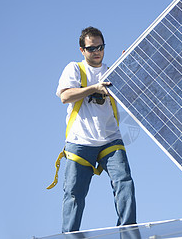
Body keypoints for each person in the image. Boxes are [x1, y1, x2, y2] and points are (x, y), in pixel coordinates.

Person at [55, 26, 137, 232]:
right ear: (82, 50)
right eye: (92, 48)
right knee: (74, 193)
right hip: (80, 141)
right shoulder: (75, 69)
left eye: (100, 47)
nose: (97, 51)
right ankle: (70, 235)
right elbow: (65, 96)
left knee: (124, 182)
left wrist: (130, 68)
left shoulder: (112, 71)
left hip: (110, 139)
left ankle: (127, 232)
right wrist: (94, 88)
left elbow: (136, 92)